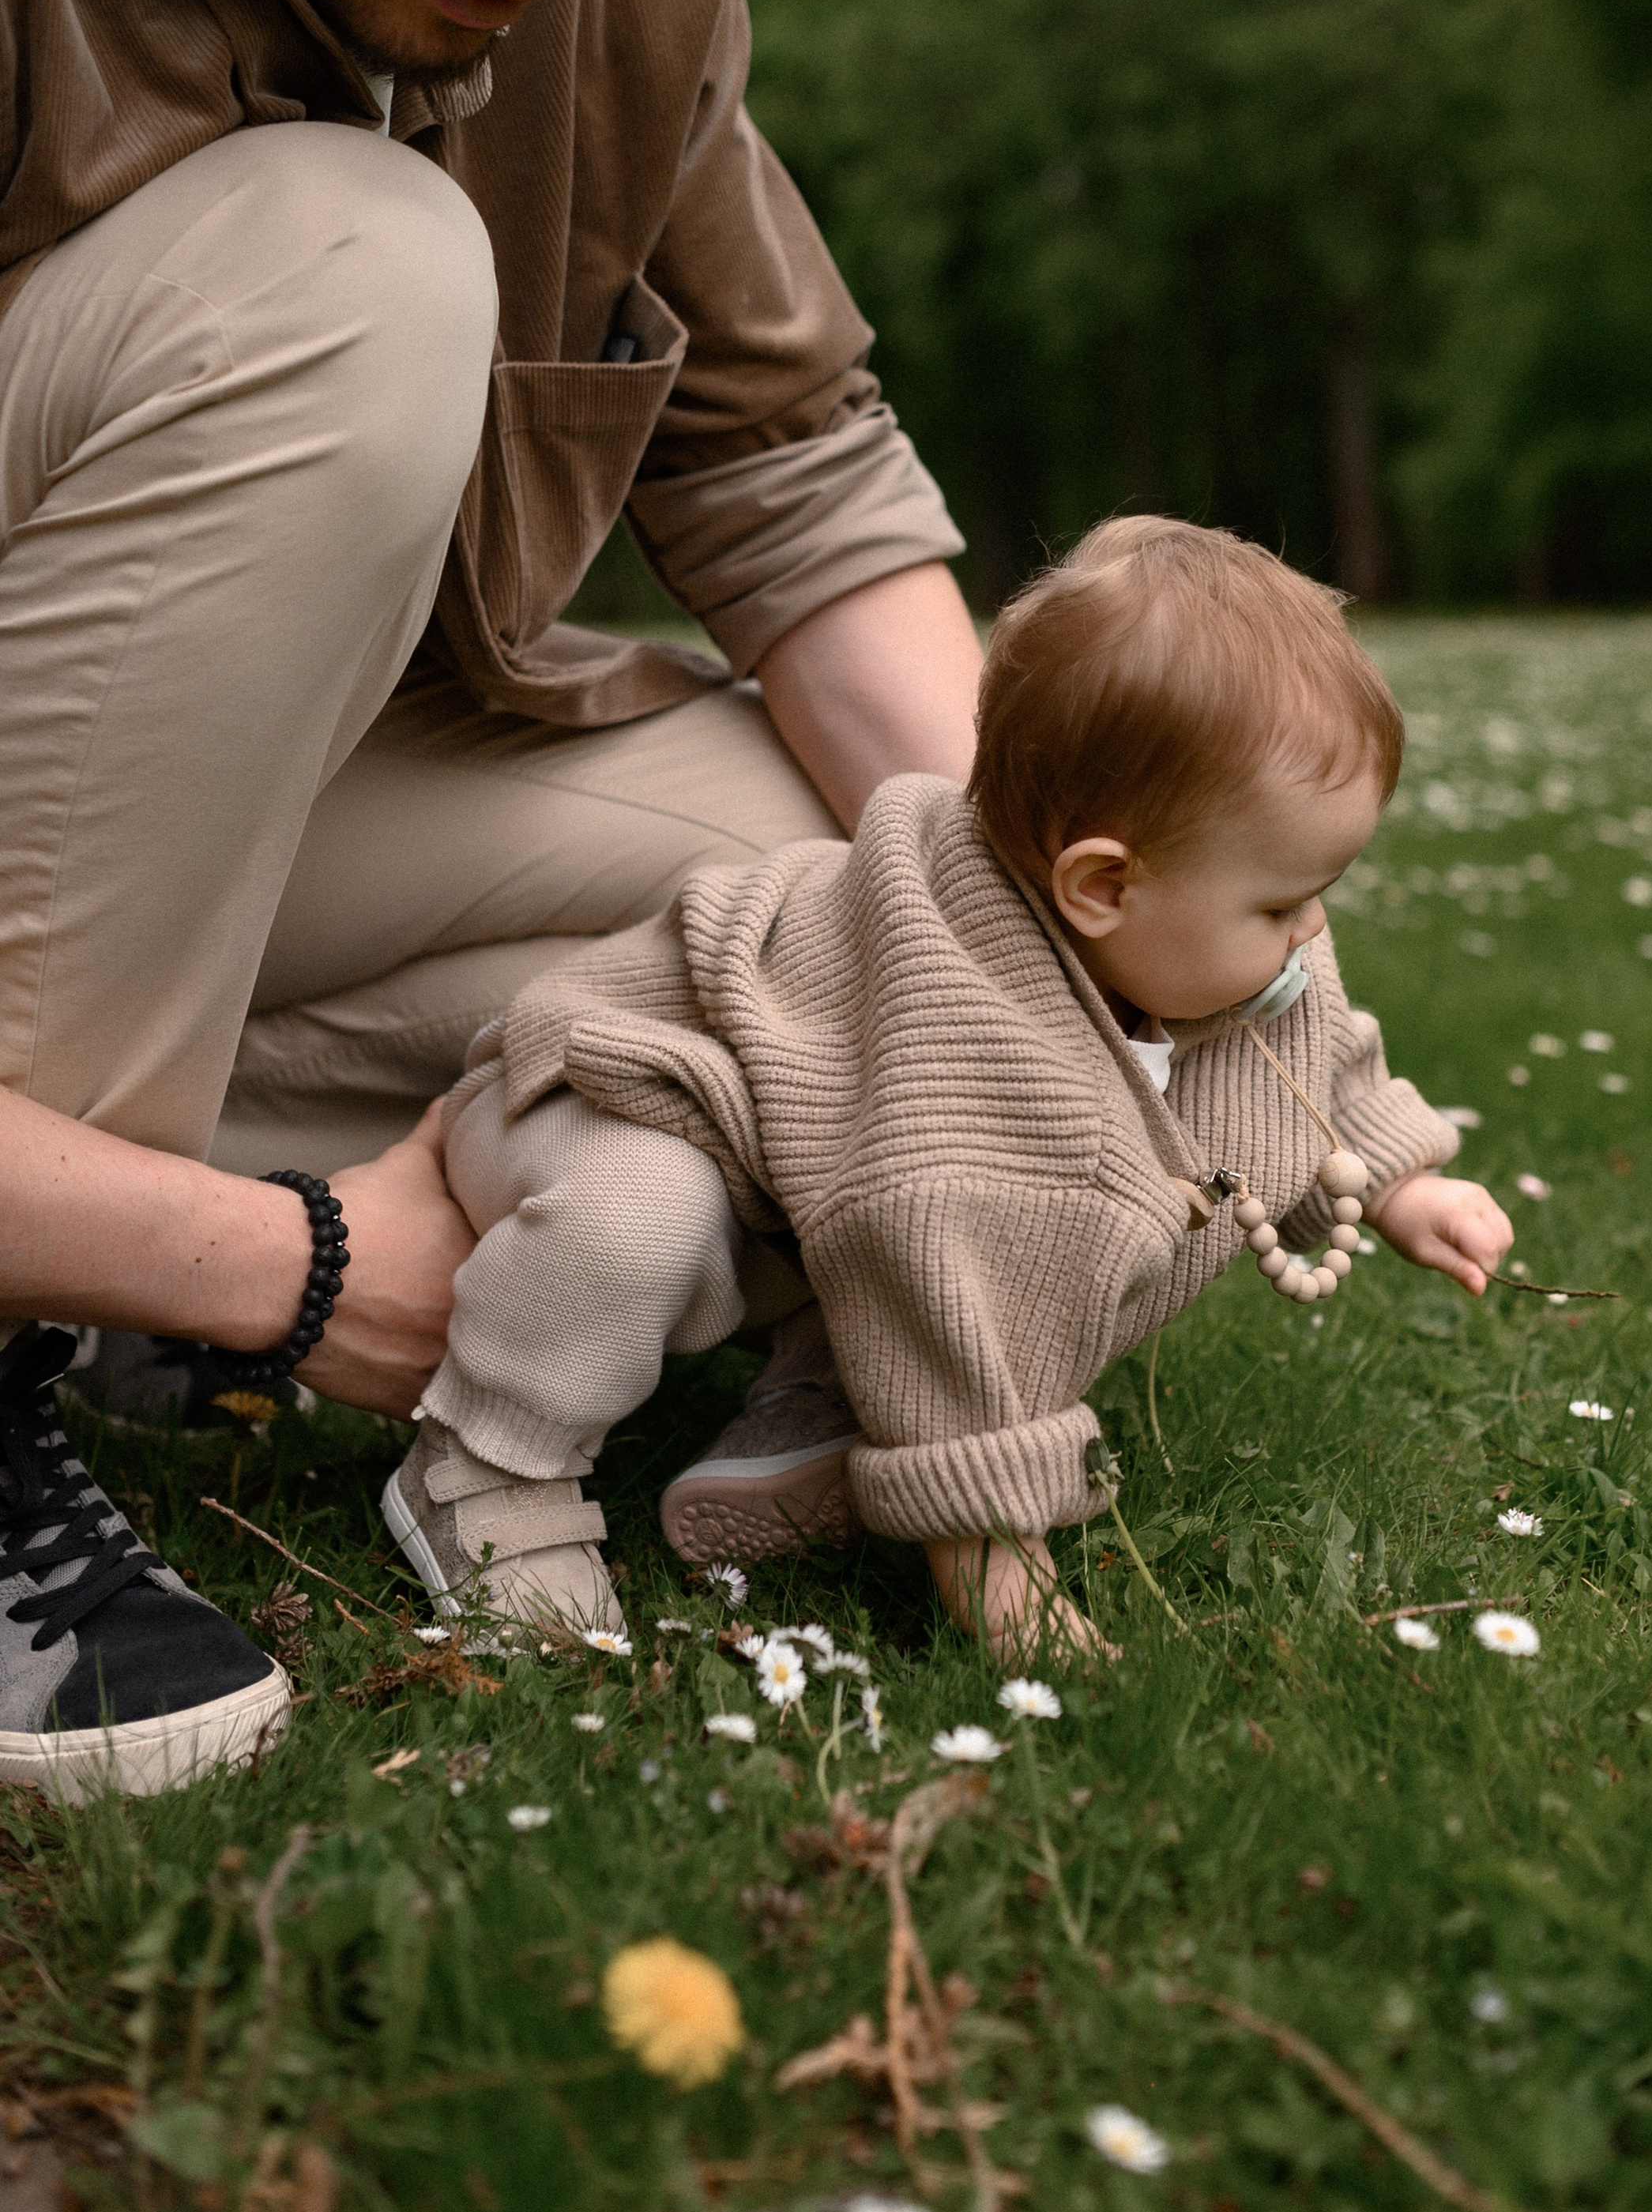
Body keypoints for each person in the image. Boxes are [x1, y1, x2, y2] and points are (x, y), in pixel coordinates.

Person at [0, 0, 982, 1800]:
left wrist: (1071, 952)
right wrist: (302, 1272)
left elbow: (784, 450)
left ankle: (103, 1289)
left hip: (209, 857)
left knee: (861, 937)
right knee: (351, 273)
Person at [385, 518, 1515, 1658]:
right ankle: (492, 1460)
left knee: (878, 1253)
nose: (1310, 928)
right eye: (1279, 907)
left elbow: (1305, 1051)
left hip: (801, 1158)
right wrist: (999, 1578)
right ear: (1103, 886)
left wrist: (1395, 1173)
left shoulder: (1196, 953)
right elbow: (948, 1247)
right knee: (647, 1226)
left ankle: (815, 1403)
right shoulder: (965, 1070)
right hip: (612, 1090)